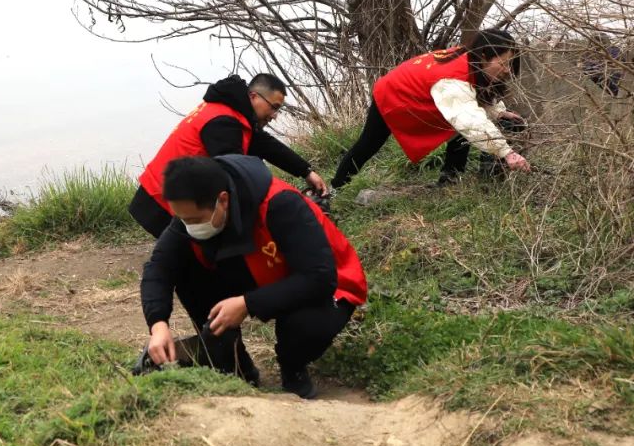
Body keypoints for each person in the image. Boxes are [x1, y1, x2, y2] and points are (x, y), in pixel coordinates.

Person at [138, 155, 367, 398]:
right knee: (185, 270)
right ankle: (236, 367)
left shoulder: (280, 204)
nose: (189, 226)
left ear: (223, 200)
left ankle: (293, 369)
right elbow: (158, 268)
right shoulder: (193, 213)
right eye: (182, 219)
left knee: (304, 327)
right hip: (260, 273)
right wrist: (158, 324)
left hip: (327, 283)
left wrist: (248, 303)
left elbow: (319, 278)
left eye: (194, 220)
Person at [130, 73, 329, 237]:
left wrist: (306, 171)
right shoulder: (222, 122)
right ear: (254, 97)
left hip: (166, 194)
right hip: (161, 201)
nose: (275, 115)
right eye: (274, 107)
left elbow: (266, 145)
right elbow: (237, 177)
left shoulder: (233, 112)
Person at [330, 28, 531, 190]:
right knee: (368, 144)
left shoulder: (472, 60)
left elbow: (477, 99)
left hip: (420, 92)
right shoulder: (453, 80)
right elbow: (471, 121)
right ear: (484, 56)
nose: (507, 70)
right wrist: (506, 152)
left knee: (462, 124)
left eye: (509, 64)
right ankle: (334, 189)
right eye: (503, 63)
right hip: (393, 95)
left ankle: (451, 177)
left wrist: (498, 112)